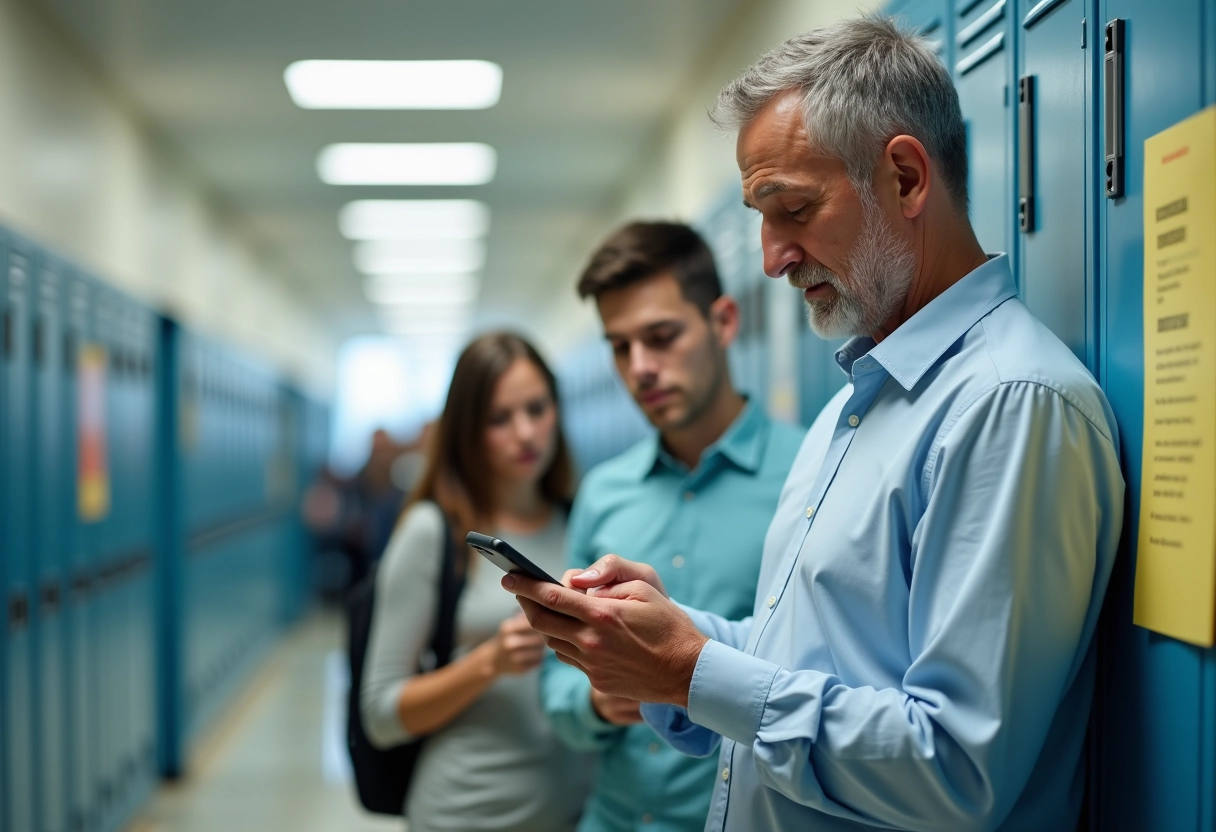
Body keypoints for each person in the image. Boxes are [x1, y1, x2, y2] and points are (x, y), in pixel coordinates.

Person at [505, 16, 1125, 832]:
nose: (771, 257)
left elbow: (955, 770)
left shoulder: (1009, 406)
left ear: (905, 178)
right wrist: (675, 637)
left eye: (791, 209)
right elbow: (812, 659)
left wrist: (692, 671)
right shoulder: (855, 405)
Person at [540, 221, 804, 831]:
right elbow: (556, 691)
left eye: (661, 337)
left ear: (724, 321)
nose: (641, 369)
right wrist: (600, 703)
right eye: (620, 346)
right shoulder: (604, 493)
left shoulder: (811, 476)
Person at [361, 332, 593, 831]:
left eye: (537, 408)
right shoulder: (432, 531)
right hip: (465, 813)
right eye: (499, 418)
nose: (526, 432)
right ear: (466, 428)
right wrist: (489, 662)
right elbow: (380, 715)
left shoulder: (583, 520)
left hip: (578, 813)